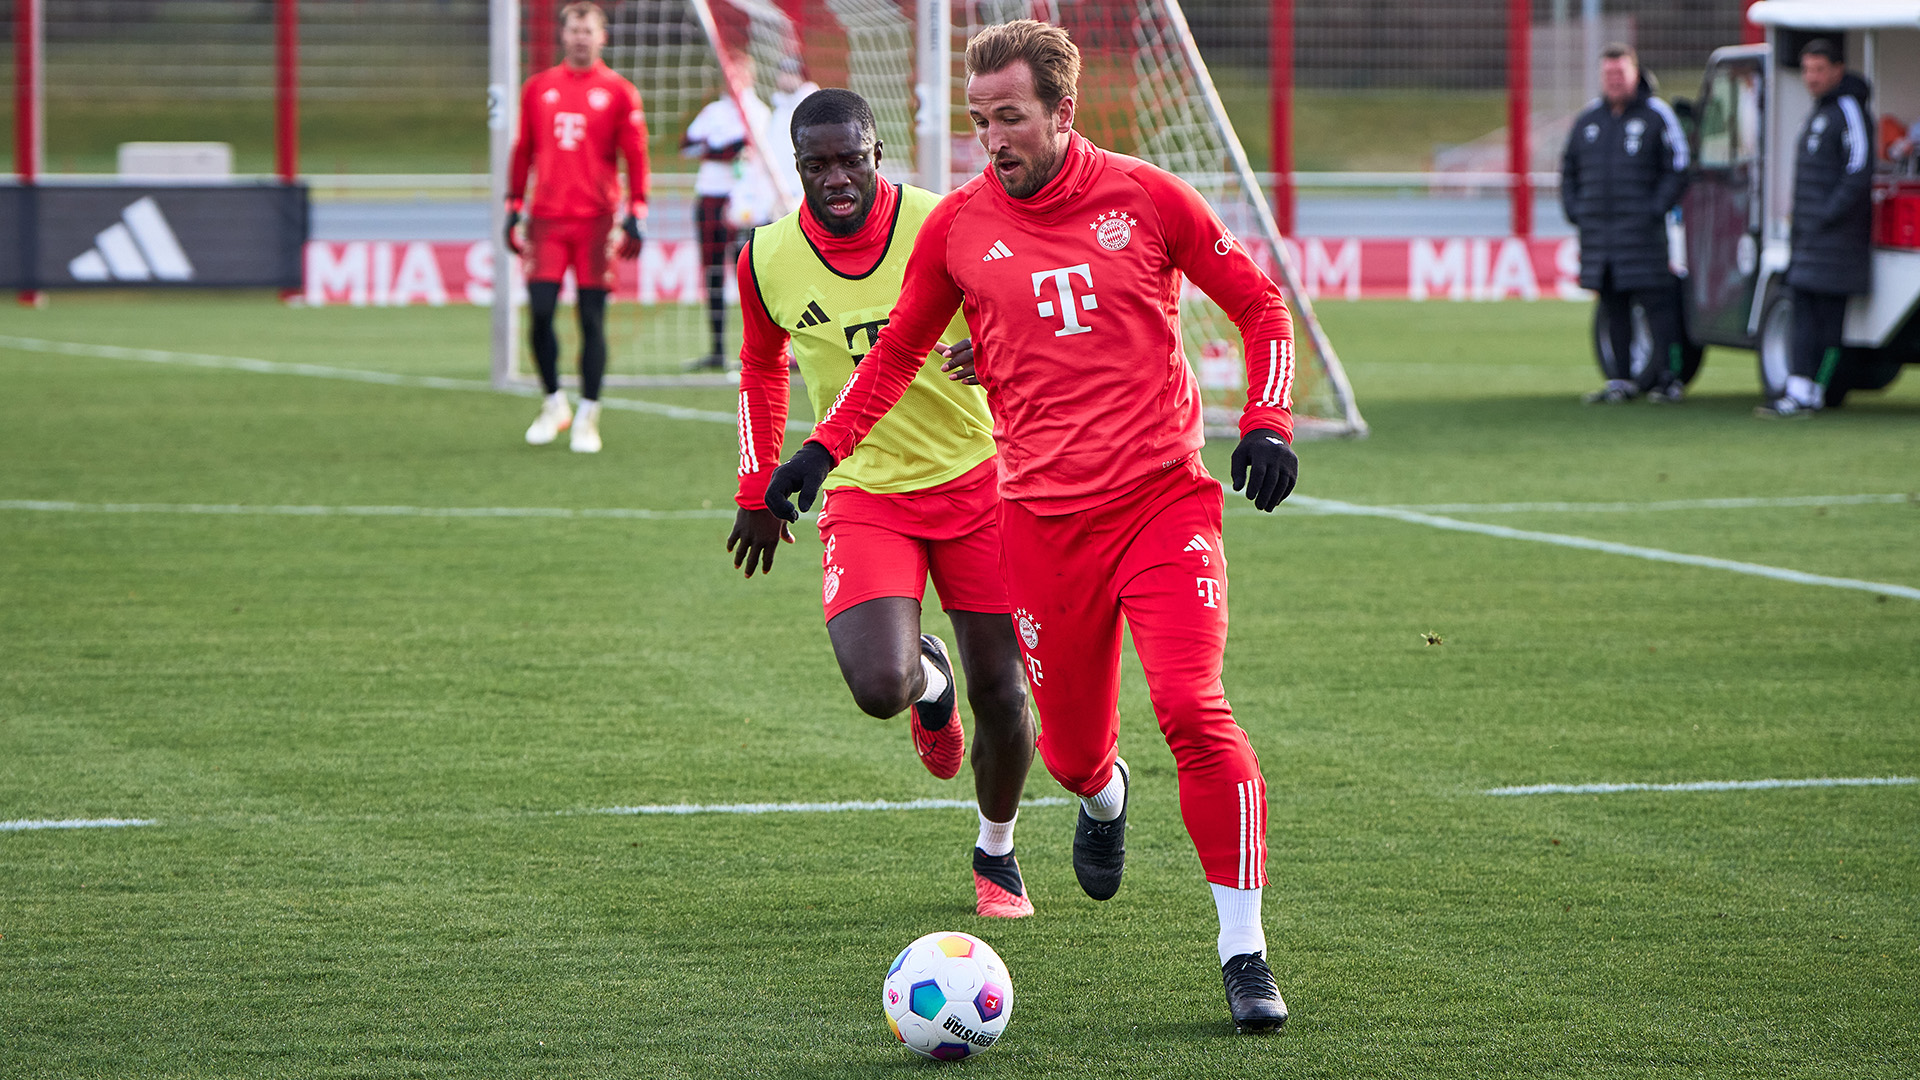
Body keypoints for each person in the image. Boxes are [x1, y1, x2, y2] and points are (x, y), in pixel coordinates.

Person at [762, 21, 1298, 1031]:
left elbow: (1261, 304)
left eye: (1009, 117)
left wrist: (1266, 420)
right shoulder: (958, 227)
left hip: (1161, 504)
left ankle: (1244, 952)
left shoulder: (1144, 197)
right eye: (980, 121)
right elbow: (893, 357)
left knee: (1193, 706)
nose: (991, 138)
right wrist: (820, 452)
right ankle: (1103, 796)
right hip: (1041, 526)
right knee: (1068, 755)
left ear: (1062, 111)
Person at [727, 88, 1038, 919]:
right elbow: (762, 370)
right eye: (816, 164)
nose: (835, 178)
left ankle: (997, 851)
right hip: (864, 490)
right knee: (878, 685)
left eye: (850, 159)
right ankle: (925, 677)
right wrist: (757, 484)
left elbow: (1023, 300)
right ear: (795, 166)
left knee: (1004, 697)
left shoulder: (949, 222)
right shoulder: (765, 257)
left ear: (877, 153)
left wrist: (996, 338)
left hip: (980, 481)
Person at [506, 1, 649, 453]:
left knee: (591, 318)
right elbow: (523, 148)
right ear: (563, 36)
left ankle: (588, 414)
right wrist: (513, 206)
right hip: (546, 219)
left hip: (596, 222)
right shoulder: (538, 88)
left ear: (601, 37)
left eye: (588, 30)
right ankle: (553, 403)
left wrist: (637, 212)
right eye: (573, 30)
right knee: (542, 312)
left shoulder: (619, 91)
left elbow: (636, 156)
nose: (581, 37)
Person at [1560, 43, 1690, 405]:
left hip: (1643, 233)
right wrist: (1576, 210)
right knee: (1612, 304)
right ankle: (1620, 379)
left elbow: (1679, 166)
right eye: (1608, 75)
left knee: (1658, 306)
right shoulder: (1589, 120)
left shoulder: (1656, 115)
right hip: (1600, 235)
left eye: (1620, 74)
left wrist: (1654, 209)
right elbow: (1568, 169)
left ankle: (1668, 379)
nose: (1614, 81)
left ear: (1635, 73)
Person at [1758, 38, 1875, 419]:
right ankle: (1798, 389)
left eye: (1819, 69)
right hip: (1810, 238)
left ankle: (1818, 390)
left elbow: (1858, 170)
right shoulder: (1818, 112)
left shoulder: (1848, 109)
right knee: (1803, 313)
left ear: (1837, 70)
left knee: (1829, 321)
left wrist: (1828, 214)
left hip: (1837, 240)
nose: (1811, 77)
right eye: (1807, 69)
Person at [681, 58, 772, 371]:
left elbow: (742, 149)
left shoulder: (758, 112)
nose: (731, 78)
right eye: (727, 72)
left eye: (738, 71)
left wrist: (712, 148)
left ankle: (759, 349)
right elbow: (686, 145)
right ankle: (717, 349)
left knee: (749, 276)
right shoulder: (713, 111)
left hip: (743, 202)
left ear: (750, 75)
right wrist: (721, 148)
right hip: (708, 197)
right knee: (713, 275)